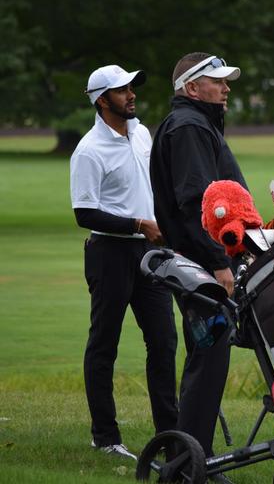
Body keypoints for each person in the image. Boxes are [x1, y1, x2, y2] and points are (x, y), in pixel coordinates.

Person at [70, 64, 178, 459]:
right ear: (102, 100)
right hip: (109, 254)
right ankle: (105, 438)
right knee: (104, 344)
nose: (131, 95)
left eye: (132, 88)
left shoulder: (142, 133)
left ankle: (170, 434)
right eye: (121, 90)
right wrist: (137, 224)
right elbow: (84, 213)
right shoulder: (88, 150)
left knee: (164, 341)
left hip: (150, 253)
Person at [150, 53, 247, 463]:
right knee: (209, 355)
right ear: (192, 88)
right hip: (202, 268)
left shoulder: (196, 123)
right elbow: (196, 204)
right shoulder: (189, 126)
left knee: (206, 353)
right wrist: (219, 262)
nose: (226, 88)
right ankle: (190, 460)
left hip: (199, 264)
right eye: (217, 81)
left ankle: (191, 455)